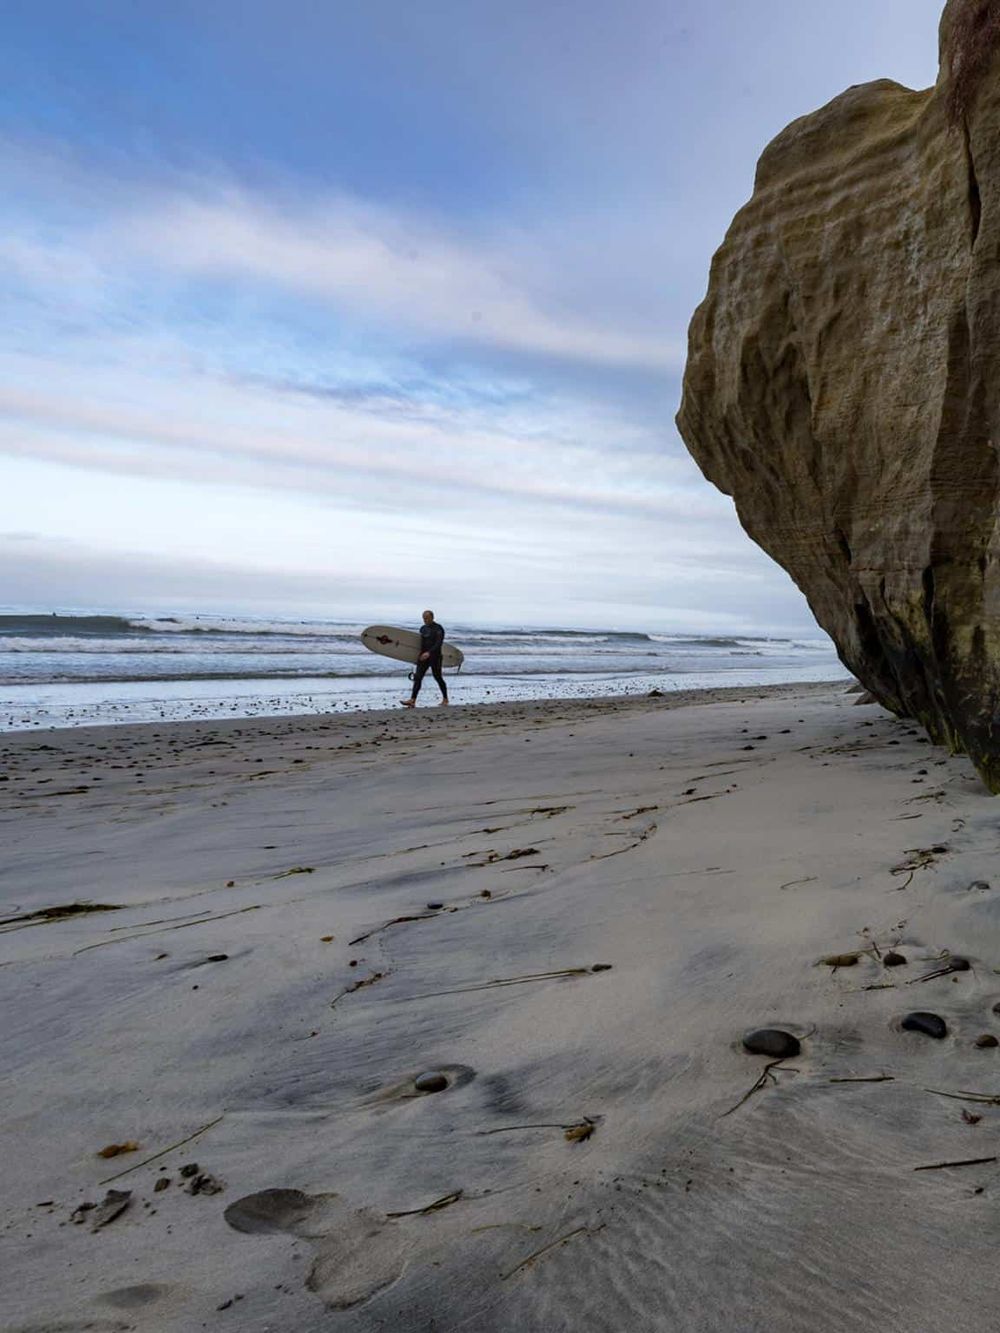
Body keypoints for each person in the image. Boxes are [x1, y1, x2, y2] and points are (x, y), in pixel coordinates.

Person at [401, 610, 449, 707]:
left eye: (427, 618)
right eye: (423, 618)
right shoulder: (422, 628)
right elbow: (421, 644)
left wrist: (429, 653)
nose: (425, 620)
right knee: (418, 677)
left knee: (438, 677)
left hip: (435, 657)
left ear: (432, 617)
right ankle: (412, 700)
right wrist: (418, 657)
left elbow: (438, 643)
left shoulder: (438, 628)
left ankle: (445, 699)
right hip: (423, 657)